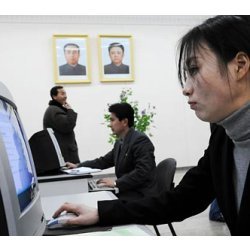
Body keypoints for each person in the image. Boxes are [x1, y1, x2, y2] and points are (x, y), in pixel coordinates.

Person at [53, 16, 250, 235]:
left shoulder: (138, 140)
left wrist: (116, 185)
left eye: (194, 69)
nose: (186, 88)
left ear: (239, 66)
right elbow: (183, 199)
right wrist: (101, 213)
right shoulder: (223, 137)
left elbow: (142, 173)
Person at [66, 102, 157, 201]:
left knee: (101, 206)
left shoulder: (140, 140)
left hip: (140, 195)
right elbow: (103, 161)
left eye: (112, 120)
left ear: (125, 122)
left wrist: (116, 183)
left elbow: (142, 172)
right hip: (129, 190)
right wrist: (78, 166)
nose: (110, 125)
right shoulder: (120, 142)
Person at [43, 86, 80, 163]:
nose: (65, 96)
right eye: (62, 94)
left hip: (64, 152)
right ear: (54, 97)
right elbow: (68, 125)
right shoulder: (54, 110)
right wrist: (70, 110)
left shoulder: (55, 109)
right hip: (65, 154)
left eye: (65, 93)